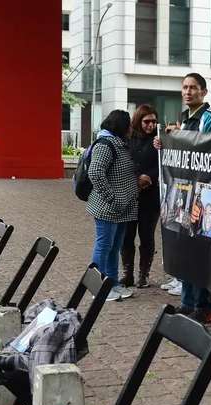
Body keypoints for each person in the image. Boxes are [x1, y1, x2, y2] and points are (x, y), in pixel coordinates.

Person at [154, 72, 211, 323]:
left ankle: (204, 306)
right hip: (185, 191)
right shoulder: (184, 118)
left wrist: (179, 138)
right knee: (186, 246)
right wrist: (165, 142)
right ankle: (187, 301)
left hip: (205, 192)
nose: (187, 92)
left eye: (193, 87)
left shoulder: (210, 117)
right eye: (184, 87)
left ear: (204, 92)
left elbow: (204, 147)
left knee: (201, 250)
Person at [87, 110, 139, 302]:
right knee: (104, 246)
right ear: (122, 126)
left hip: (121, 209)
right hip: (107, 208)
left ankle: (112, 283)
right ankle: (98, 287)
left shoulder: (120, 144)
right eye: (130, 125)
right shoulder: (105, 144)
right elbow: (95, 173)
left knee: (114, 247)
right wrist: (113, 198)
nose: (132, 129)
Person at [121, 104, 161, 288]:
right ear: (138, 121)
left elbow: (163, 165)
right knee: (126, 237)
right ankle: (127, 274)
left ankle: (143, 275)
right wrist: (137, 178)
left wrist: (149, 177)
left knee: (147, 237)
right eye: (146, 121)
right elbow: (123, 163)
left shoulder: (159, 141)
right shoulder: (128, 139)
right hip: (130, 196)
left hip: (151, 197)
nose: (150, 125)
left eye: (154, 121)